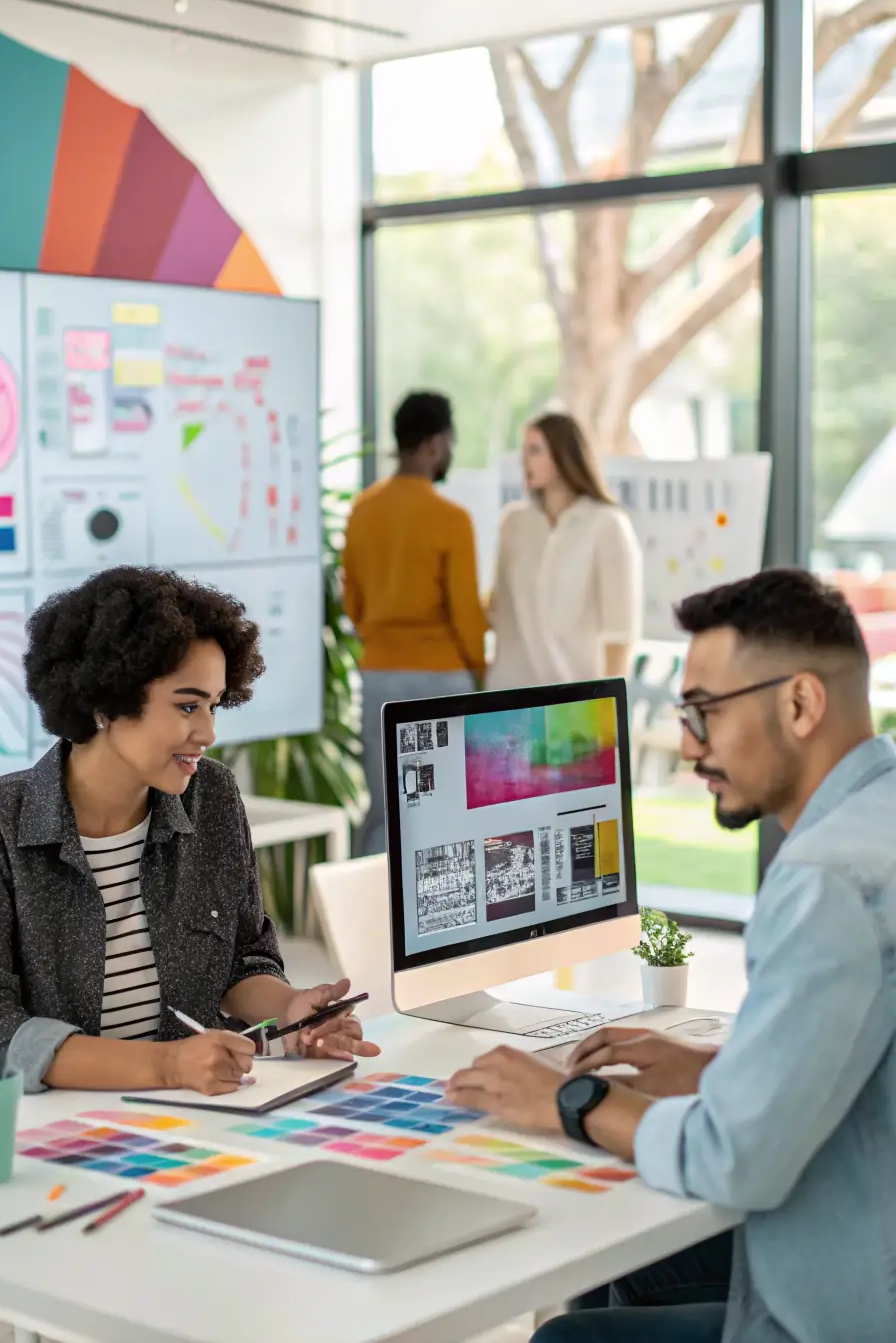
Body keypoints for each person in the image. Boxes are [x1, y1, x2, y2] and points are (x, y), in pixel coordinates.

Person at [447, 568, 896, 1343]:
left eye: (704, 713)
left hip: (842, 1305)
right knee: (616, 1264)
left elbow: (734, 1161)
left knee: (564, 1338)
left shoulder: (826, 884)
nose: (688, 746)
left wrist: (569, 1100)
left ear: (799, 704)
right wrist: (722, 1071)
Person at [0, 566, 379, 1105]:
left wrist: (293, 1011)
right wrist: (168, 1065)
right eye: (187, 706)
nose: (208, 733)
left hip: (148, 1119)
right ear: (106, 702)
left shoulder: (212, 798)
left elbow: (243, 960)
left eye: (214, 706)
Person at [344, 391, 487, 856]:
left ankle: (370, 917)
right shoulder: (451, 519)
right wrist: (480, 675)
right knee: (447, 811)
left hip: (381, 674)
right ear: (433, 444)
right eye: (449, 442)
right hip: (442, 678)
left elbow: (354, 602)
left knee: (387, 808)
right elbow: (466, 615)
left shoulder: (363, 510)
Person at [488, 410, 642, 689]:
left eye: (534, 450)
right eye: (523, 450)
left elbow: (621, 630)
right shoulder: (513, 523)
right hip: (509, 694)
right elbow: (499, 606)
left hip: (577, 697)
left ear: (563, 455)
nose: (523, 460)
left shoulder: (607, 524)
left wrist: (608, 706)